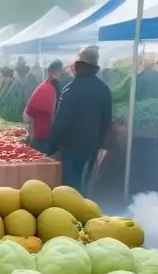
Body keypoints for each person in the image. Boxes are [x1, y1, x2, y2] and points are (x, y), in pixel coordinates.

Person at [48, 47, 112, 194]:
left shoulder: (71, 89)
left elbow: (61, 121)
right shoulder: (103, 89)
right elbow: (107, 119)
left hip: (72, 146)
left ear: (78, 66)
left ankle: (71, 212)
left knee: (70, 186)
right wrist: (103, 144)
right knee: (84, 182)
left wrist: (51, 147)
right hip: (92, 146)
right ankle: (84, 209)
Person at [23, 60, 62, 154]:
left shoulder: (48, 87)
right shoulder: (46, 89)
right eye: (62, 72)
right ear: (55, 73)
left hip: (47, 134)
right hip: (42, 136)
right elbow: (28, 115)